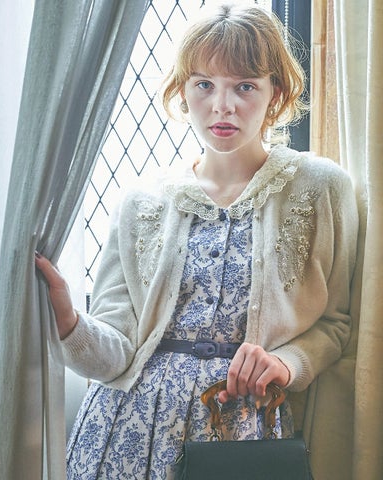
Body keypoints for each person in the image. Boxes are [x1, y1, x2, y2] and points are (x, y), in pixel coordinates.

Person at [35, 3, 358, 478]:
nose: (222, 106)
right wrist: (68, 320)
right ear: (183, 91)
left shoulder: (320, 186)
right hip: (125, 431)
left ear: (276, 92)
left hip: (242, 431)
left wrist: (285, 364)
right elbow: (117, 353)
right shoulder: (140, 199)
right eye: (204, 84)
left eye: (244, 86)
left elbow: (336, 322)